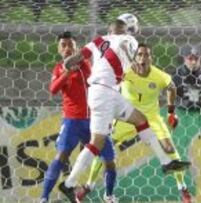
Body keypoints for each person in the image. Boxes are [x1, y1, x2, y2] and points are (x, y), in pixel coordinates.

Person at [58, 19, 190, 203]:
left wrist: (66, 66)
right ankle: (70, 183)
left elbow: (71, 61)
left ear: (109, 30)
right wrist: (131, 62)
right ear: (125, 30)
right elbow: (131, 55)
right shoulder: (128, 40)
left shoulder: (97, 41)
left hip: (106, 93)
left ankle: (166, 163)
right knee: (96, 143)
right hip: (104, 94)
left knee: (140, 119)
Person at [40, 31, 92, 203]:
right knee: (62, 156)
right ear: (59, 49)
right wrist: (67, 73)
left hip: (92, 120)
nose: (68, 48)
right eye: (64, 45)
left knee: (96, 154)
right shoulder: (59, 69)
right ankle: (44, 197)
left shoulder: (85, 65)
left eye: (71, 45)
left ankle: (71, 185)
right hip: (72, 121)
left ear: (76, 47)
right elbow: (53, 89)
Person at [173, 46, 201, 111]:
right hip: (182, 114)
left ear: (200, 59)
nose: (194, 62)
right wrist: (183, 104)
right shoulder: (177, 76)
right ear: (184, 59)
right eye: (190, 59)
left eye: (196, 59)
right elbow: (171, 98)